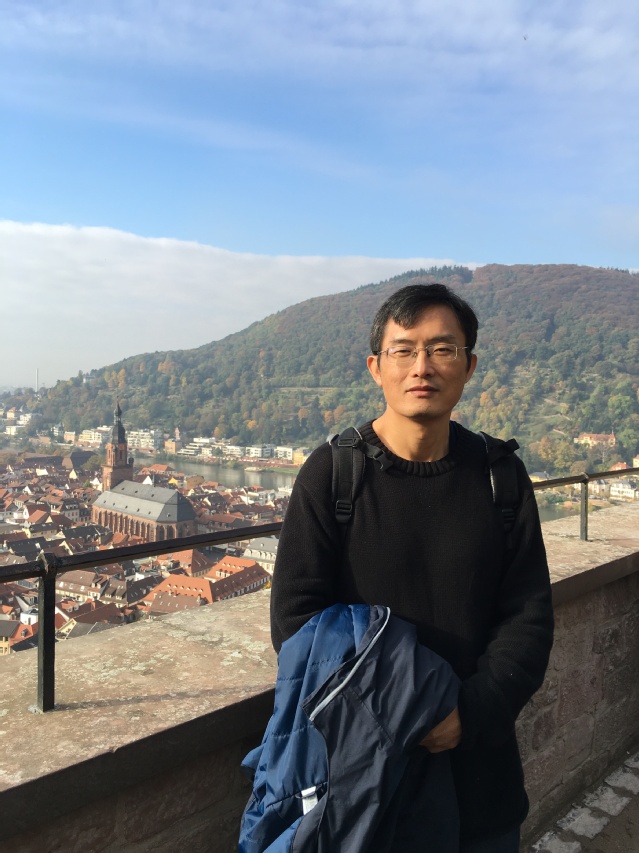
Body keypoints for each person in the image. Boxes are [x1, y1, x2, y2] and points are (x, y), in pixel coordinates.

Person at [270, 283, 554, 852]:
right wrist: (411, 712)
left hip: (480, 780)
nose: (421, 366)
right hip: (365, 783)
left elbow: (527, 617)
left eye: (442, 349)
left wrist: (467, 714)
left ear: (469, 366)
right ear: (376, 367)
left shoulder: (500, 477)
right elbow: (297, 624)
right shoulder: (331, 476)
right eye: (403, 350)